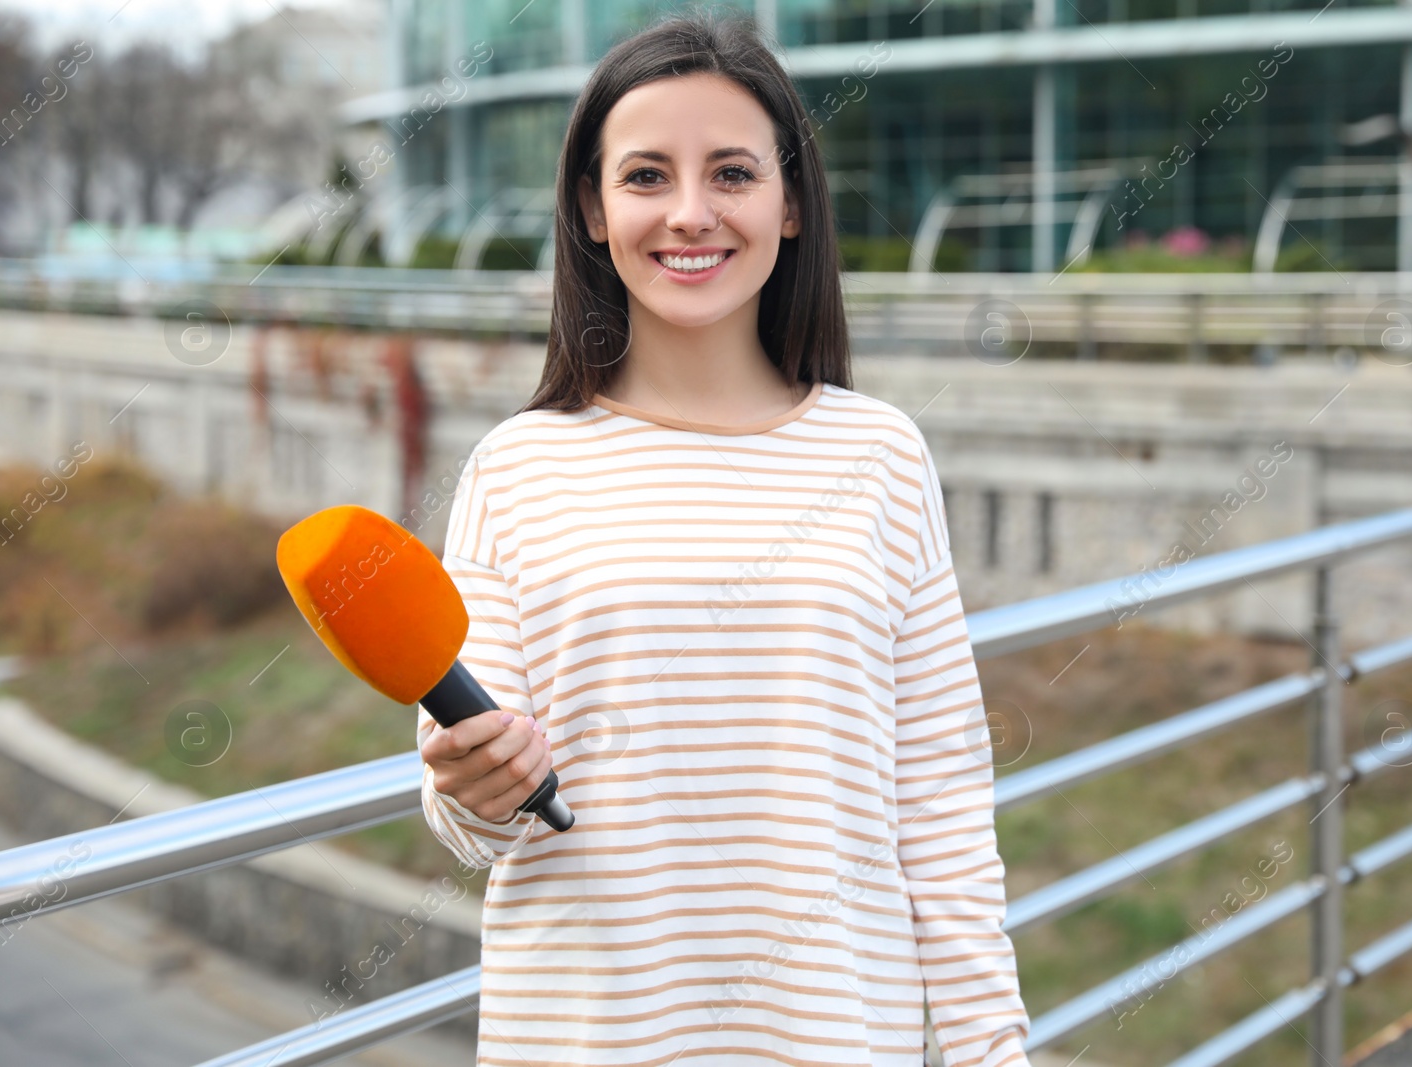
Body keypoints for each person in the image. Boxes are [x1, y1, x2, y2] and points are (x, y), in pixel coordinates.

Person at [415, 9, 1031, 1065]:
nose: (689, 213)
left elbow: (939, 799)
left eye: (733, 173)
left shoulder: (881, 455)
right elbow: (476, 823)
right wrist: (469, 784)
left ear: (790, 205)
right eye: (646, 176)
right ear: (592, 208)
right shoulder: (513, 468)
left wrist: (989, 1044)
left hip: (840, 1037)